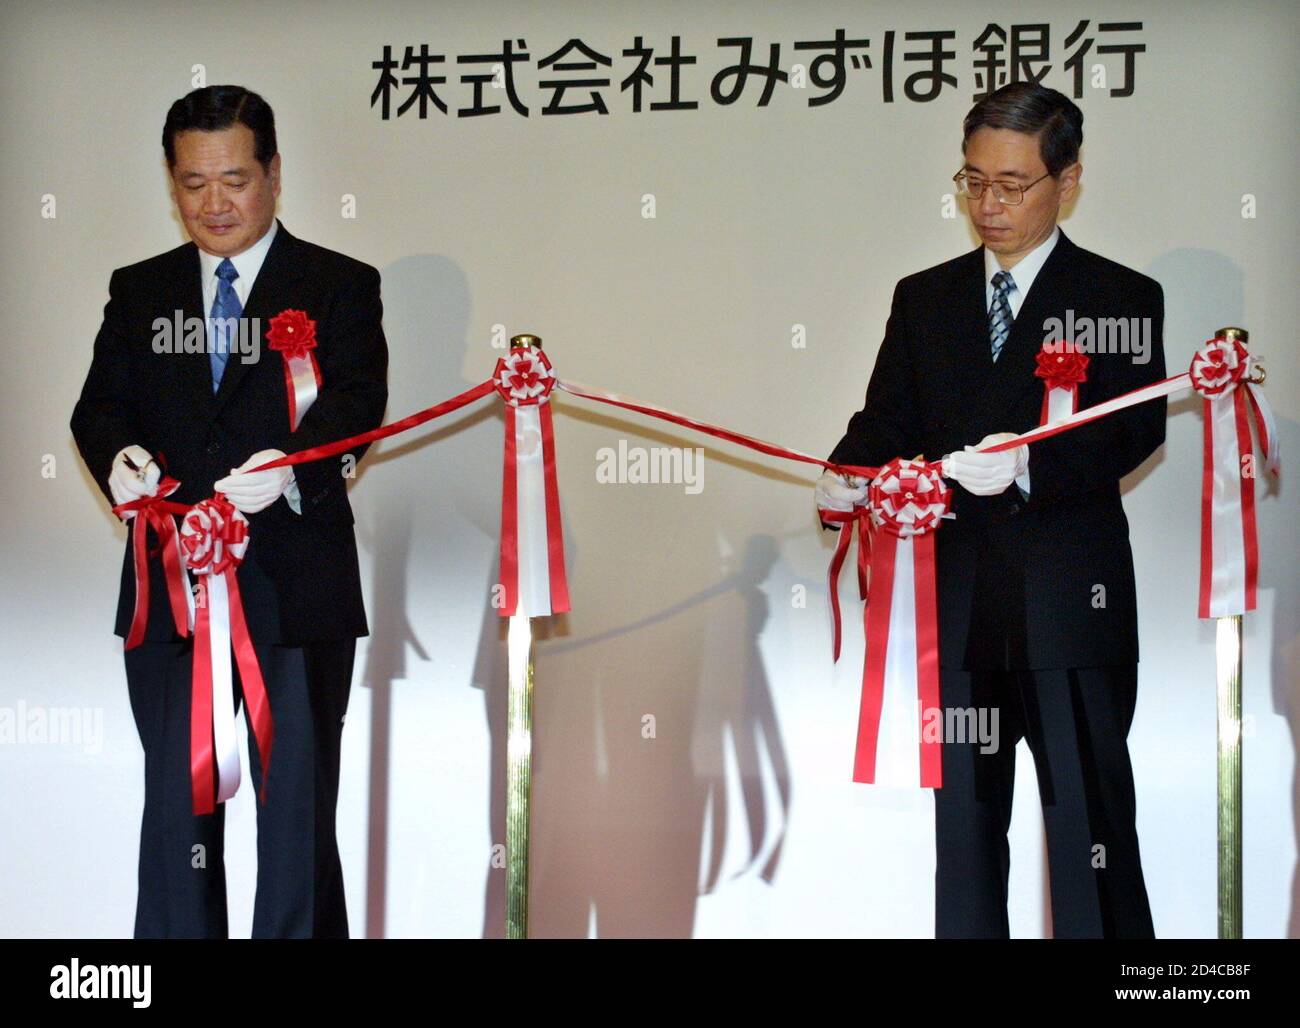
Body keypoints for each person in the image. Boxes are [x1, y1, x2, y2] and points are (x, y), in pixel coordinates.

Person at [817, 81, 1165, 938]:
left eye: (1013, 184)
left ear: (1068, 180)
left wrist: (1027, 466)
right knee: (966, 831)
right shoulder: (924, 297)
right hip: (958, 606)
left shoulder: (1120, 295)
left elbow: (1134, 428)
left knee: (1090, 828)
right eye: (973, 180)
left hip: (1066, 605)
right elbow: (886, 421)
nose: (989, 203)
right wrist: (845, 477)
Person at [70, 85, 388, 938]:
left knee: (296, 821)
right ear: (171, 183)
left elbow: (357, 404)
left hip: (297, 587)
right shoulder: (138, 291)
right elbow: (99, 409)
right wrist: (118, 460)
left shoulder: (339, 284)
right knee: (177, 819)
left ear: (275, 175)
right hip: (170, 591)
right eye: (193, 182)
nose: (215, 204)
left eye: (236, 180)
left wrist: (290, 470)